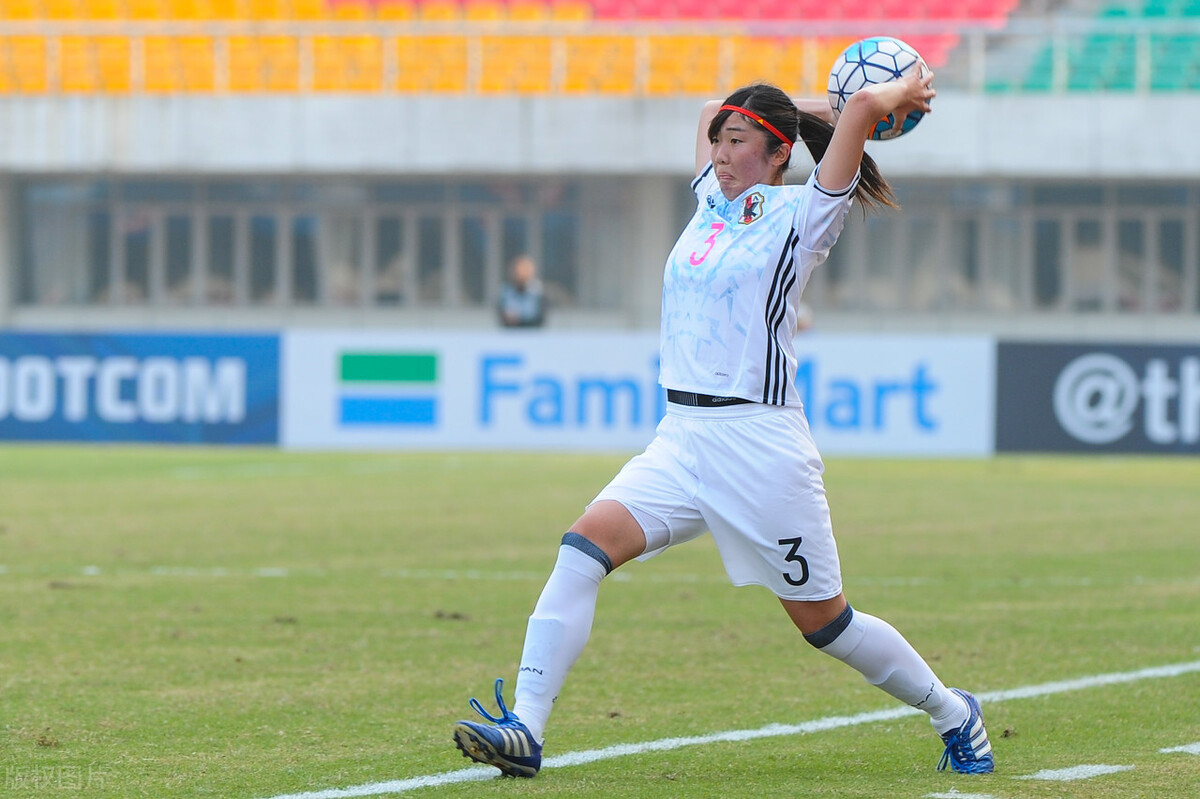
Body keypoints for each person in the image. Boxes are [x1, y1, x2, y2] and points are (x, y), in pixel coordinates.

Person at [454, 71, 994, 778]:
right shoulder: (712, 197)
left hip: (759, 446)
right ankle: (526, 727)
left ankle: (954, 711)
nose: (719, 149)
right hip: (680, 437)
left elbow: (862, 108)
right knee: (583, 546)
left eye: (738, 142)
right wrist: (776, 113)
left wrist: (883, 100)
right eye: (718, 142)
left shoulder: (804, 213)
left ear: (777, 154)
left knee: (826, 625)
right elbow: (715, 108)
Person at [498, 254, 546, 327]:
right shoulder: (505, 292)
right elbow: (501, 317)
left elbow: (540, 319)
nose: (520, 274)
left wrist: (520, 320)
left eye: (523, 270)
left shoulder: (538, 292)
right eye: (517, 271)